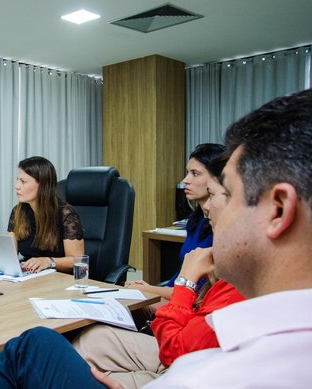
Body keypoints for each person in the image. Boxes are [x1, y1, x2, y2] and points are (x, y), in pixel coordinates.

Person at [0, 86, 312, 389]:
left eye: (226, 194)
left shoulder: (209, 375)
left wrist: (182, 283)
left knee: (34, 344)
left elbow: (181, 353)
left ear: (279, 210)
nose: (213, 209)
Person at [70, 153, 243, 389]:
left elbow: (180, 350)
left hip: (183, 359)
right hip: (183, 335)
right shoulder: (201, 225)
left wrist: (183, 285)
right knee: (90, 338)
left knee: (45, 349)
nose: (185, 181)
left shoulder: (240, 275)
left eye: (213, 194)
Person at [125, 143, 224, 301]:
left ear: (217, 179)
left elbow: (196, 294)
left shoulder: (220, 227)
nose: (185, 180)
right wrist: (151, 289)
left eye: (195, 174)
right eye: (187, 173)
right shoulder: (196, 220)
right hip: (172, 294)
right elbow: (180, 281)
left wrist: (147, 289)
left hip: (189, 302)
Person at [8, 156, 84, 273]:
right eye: (17, 180)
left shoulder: (66, 214)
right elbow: (9, 254)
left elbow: (78, 261)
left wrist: (49, 261)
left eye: (23, 181)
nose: (17, 186)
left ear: (43, 185)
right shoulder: (17, 212)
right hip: (30, 276)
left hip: (58, 279)